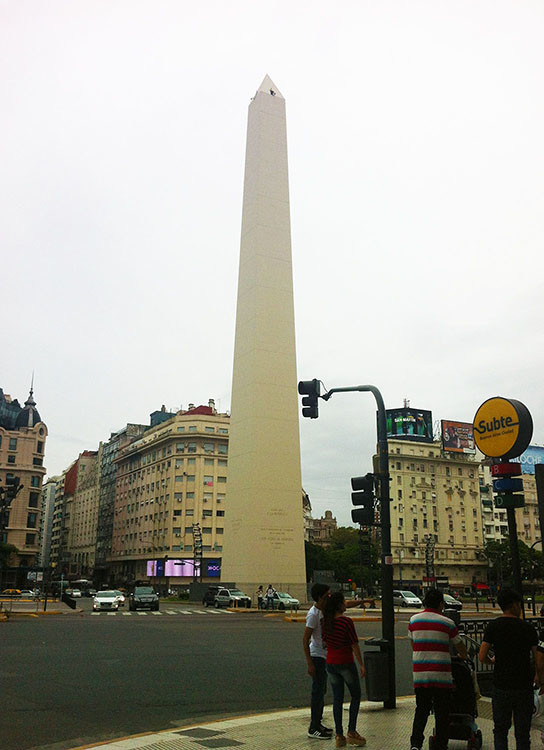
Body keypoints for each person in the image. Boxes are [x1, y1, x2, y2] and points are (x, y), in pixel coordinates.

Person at [479, 588, 540, 750]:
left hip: (501, 685)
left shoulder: (494, 626)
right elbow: (537, 657)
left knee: (500, 730)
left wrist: (492, 662)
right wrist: (539, 677)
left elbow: (481, 656)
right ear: (513, 605)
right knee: (522, 732)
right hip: (523, 685)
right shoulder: (528, 629)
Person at [408, 587, 467, 750]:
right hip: (441, 676)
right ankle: (441, 745)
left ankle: (415, 745)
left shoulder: (413, 620)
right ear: (441, 604)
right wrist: (464, 655)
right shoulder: (448, 623)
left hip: (420, 675)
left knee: (421, 711)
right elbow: (460, 646)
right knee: (442, 714)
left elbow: (413, 644)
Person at [322, 591, 366, 747]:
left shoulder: (324, 622)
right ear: (339, 605)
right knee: (355, 695)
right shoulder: (347, 622)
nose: (345, 603)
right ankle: (352, 731)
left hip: (330, 662)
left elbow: (325, 642)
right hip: (345, 662)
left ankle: (339, 735)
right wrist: (361, 664)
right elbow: (354, 644)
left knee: (337, 698)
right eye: (343, 601)